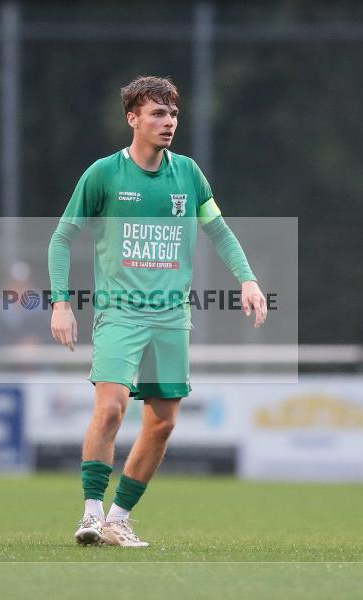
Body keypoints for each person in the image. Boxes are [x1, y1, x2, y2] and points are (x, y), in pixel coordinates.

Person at [48, 76, 267, 547]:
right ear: (132, 119)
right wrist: (61, 303)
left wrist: (247, 279)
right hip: (120, 312)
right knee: (111, 409)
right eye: (157, 114)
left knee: (163, 422)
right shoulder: (104, 174)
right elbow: (62, 237)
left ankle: (117, 519)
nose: (168, 122)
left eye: (172, 114)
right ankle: (90, 514)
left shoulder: (188, 173)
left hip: (171, 317)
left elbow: (220, 232)